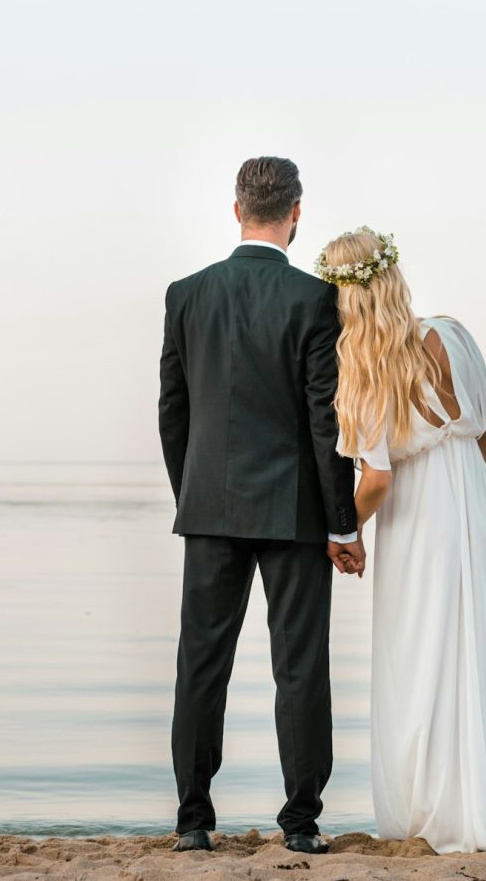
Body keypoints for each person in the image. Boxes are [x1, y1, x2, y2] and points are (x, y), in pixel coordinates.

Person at [158, 156, 365, 855]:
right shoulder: (313, 301)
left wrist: (194, 491)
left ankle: (192, 822)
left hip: (209, 507)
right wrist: (344, 522)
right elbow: (323, 423)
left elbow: (173, 412)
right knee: (300, 666)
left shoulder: (186, 295)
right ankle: (301, 825)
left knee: (200, 664)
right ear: (296, 213)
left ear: (236, 209)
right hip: (296, 512)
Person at [315, 225, 486, 854]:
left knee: (419, 659)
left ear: (345, 297)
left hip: (414, 518)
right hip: (468, 500)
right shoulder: (453, 334)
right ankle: (478, 810)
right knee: (470, 653)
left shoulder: (361, 366)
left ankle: (426, 813)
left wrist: (345, 532)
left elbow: (378, 479)